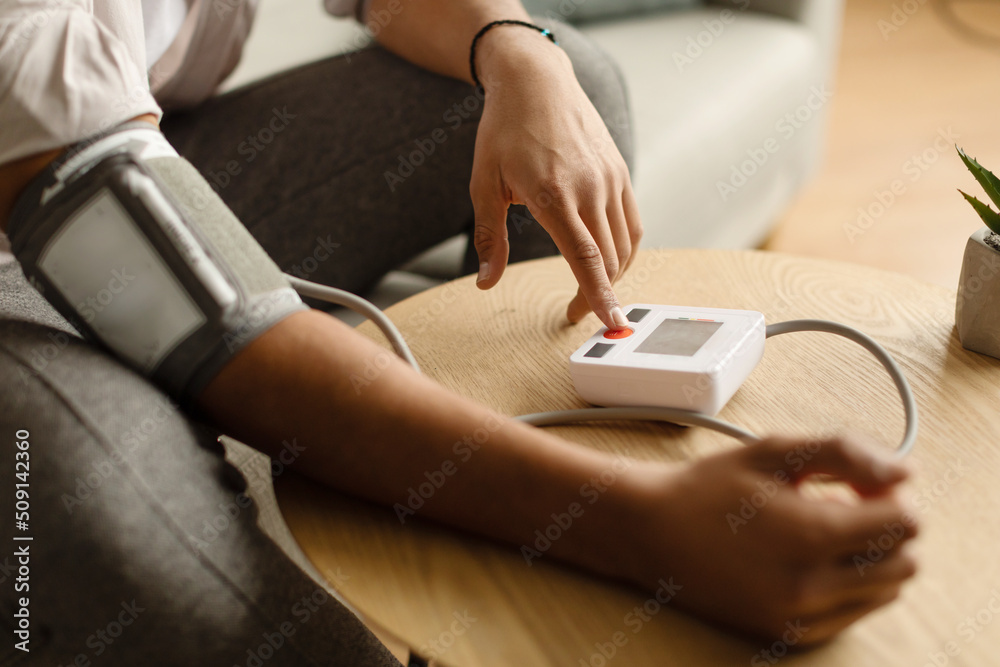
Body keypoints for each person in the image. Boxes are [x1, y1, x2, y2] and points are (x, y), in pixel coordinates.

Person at [0, 0, 918, 663]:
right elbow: (217, 330)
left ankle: (493, 488)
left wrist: (524, 55)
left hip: (134, 138)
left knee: (565, 85)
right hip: (26, 237)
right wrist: (646, 531)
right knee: (105, 508)